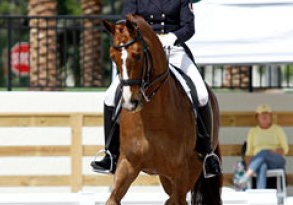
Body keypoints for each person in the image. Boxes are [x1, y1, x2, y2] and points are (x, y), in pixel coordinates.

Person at [90, 0, 221, 177]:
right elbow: (124, 23)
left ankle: (207, 153)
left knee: (202, 94)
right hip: (142, 51)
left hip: (173, 50)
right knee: (110, 97)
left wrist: (172, 37)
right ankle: (111, 154)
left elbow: (189, 27)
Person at [237, 104, 288, 189]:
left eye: (266, 114)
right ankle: (261, 193)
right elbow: (249, 152)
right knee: (262, 165)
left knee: (264, 152)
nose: (264, 116)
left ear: (270, 116)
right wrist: (249, 165)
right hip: (258, 161)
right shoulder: (253, 132)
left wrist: (272, 152)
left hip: (276, 160)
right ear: (257, 117)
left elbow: (285, 149)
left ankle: (247, 175)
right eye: (261, 114)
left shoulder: (278, 129)